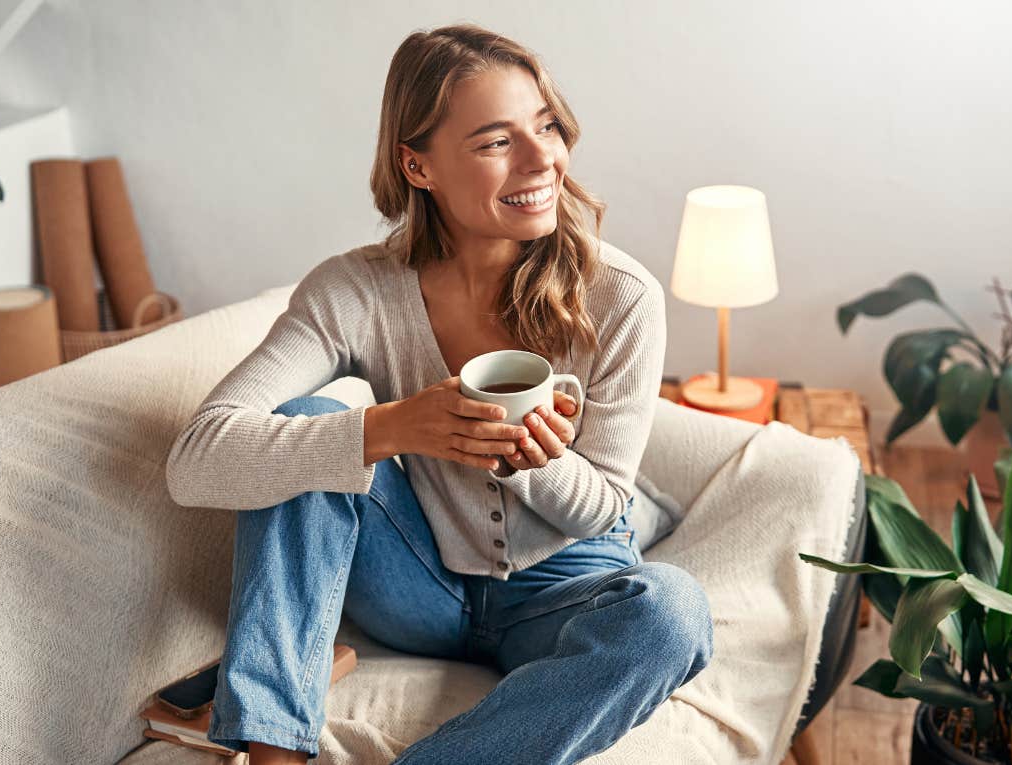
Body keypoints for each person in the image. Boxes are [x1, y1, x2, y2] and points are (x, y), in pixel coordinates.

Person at [165, 22, 713, 765]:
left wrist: (528, 457)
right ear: (417, 165)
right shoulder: (354, 290)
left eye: (545, 125)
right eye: (495, 142)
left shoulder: (621, 298)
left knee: (672, 614)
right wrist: (393, 427)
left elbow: (598, 509)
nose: (541, 157)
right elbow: (195, 461)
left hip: (566, 587)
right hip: (414, 586)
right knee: (305, 430)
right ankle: (274, 753)